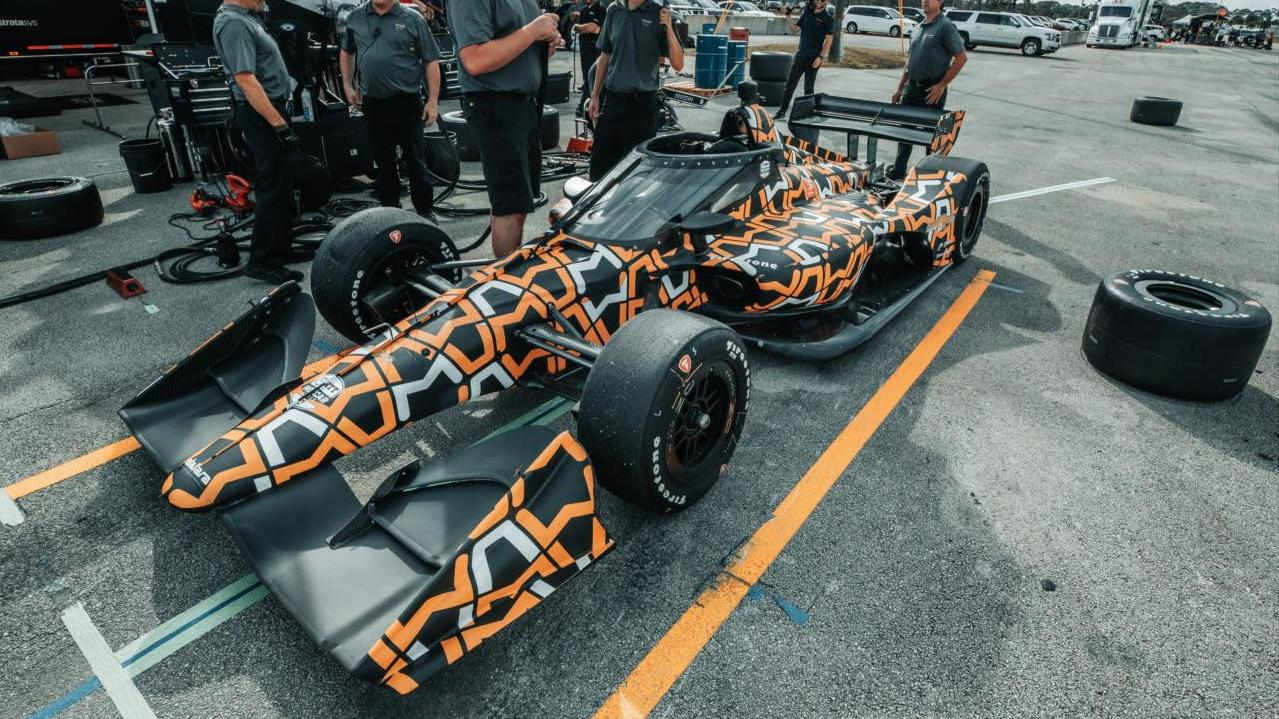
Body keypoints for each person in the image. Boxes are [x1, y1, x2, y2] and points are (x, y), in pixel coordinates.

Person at [447, 1, 560, 257]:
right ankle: (504, 277)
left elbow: (517, 44)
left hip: (522, 105)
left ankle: (504, 270)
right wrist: (533, 31)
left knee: (515, 203)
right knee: (510, 206)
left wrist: (545, 44)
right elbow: (475, 59)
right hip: (496, 105)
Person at [212, 0, 304, 285]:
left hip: (269, 109)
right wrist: (278, 124)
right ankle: (262, 261)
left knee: (282, 184)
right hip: (261, 114)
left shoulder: (247, 18)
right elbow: (245, 79)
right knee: (272, 186)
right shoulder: (233, 23)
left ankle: (280, 250)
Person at [340, 0, 442, 221]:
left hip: (407, 102)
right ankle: (390, 212)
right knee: (383, 161)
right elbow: (346, 51)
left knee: (415, 159)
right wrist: (347, 85)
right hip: (373, 103)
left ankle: (424, 210)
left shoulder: (413, 19)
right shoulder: (355, 18)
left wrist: (433, 101)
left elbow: (430, 60)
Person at [587, 0, 685, 180]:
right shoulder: (614, 10)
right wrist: (594, 96)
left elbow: (678, 64)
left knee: (636, 176)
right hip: (613, 102)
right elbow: (606, 54)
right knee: (599, 170)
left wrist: (669, 28)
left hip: (642, 107)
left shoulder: (659, 13)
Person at [888, 0, 965, 180]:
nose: (925, 1)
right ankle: (898, 171)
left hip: (932, 91)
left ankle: (929, 175)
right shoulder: (918, 27)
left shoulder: (946, 26)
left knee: (931, 137)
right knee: (904, 132)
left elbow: (961, 58)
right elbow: (910, 62)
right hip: (911, 88)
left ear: (941, 2)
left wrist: (942, 85)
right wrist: (900, 88)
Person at [773, 0, 834, 121]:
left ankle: (807, 115)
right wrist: (788, 15)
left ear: (826, 1)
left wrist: (820, 57)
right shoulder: (807, 13)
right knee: (790, 85)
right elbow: (795, 29)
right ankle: (782, 112)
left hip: (814, 57)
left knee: (808, 88)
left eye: (821, 0)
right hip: (800, 55)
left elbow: (829, 40)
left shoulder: (827, 19)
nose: (818, 1)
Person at [573, 0, 608, 116]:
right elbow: (584, 27)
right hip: (585, 48)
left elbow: (590, 28)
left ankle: (583, 107)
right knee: (586, 78)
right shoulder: (584, 9)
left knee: (591, 76)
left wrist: (577, 27)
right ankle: (587, 105)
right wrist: (579, 26)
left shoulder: (600, 9)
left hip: (594, 49)